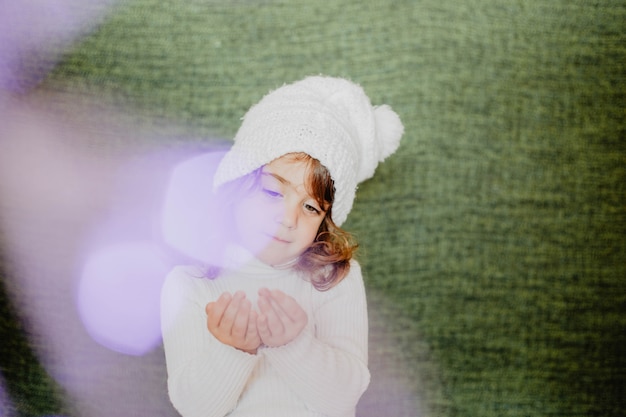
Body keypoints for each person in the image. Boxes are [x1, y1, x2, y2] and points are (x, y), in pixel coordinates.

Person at [160, 75, 404, 417]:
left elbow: (341, 400)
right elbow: (194, 407)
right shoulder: (191, 283)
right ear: (238, 182)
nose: (289, 218)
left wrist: (294, 344)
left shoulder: (333, 279)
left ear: (326, 221)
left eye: (311, 207)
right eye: (273, 192)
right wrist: (234, 349)